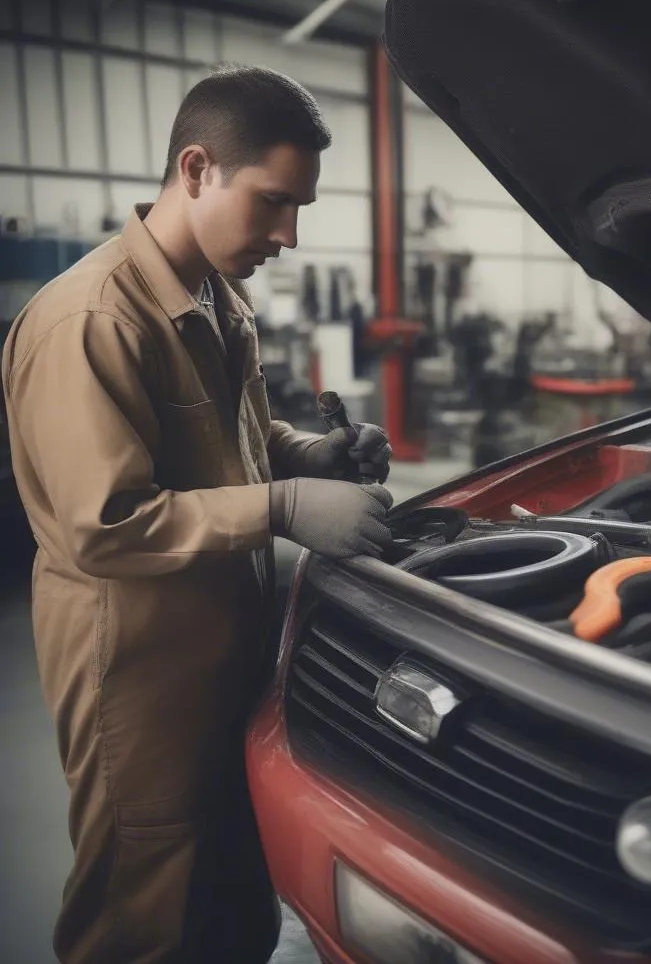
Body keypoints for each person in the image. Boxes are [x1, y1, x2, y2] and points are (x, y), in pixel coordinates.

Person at [1, 64, 394, 964]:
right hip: (138, 666)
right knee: (147, 903)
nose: (289, 234)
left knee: (229, 885)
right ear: (196, 169)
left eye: (299, 208)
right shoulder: (92, 321)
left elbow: (238, 442)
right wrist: (288, 506)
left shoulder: (217, 300)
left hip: (226, 645)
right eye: (272, 202)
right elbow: (103, 523)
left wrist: (311, 457)